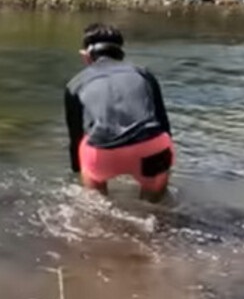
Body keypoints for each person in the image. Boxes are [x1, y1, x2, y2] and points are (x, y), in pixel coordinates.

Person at [64, 23, 175, 203]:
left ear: (85, 55)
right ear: (120, 52)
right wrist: (165, 165)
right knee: (156, 207)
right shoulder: (143, 74)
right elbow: (163, 124)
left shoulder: (75, 84)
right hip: (149, 147)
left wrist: (78, 171)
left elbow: (75, 136)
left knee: (96, 206)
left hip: (103, 152)